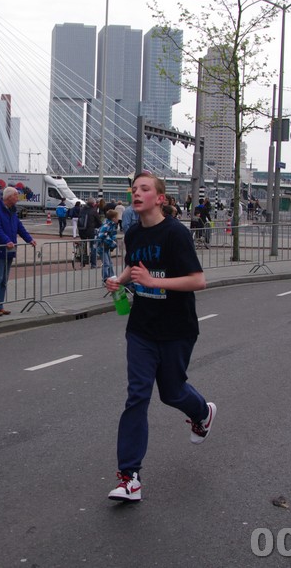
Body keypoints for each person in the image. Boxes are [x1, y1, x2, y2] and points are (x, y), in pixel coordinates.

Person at [104, 171, 215, 503]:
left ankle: (202, 413)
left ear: (160, 199)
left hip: (177, 329)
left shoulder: (176, 233)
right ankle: (130, 478)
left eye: (144, 189)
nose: (136, 193)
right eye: (134, 189)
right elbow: (134, 266)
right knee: (137, 396)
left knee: (172, 392)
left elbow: (198, 280)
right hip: (141, 328)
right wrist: (120, 280)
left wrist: (154, 283)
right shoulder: (134, 233)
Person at [0, 186, 36, 316]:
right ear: (8, 197)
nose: (17, 197)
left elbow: (20, 227)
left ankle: (0, 305)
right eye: (16, 195)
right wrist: (6, 241)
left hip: (10, 250)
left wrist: (29, 239)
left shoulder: (12, 211)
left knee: (4, 280)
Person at [94, 209, 119, 281]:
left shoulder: (112, 225)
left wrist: (113, 241)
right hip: (101, 247)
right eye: (117, 217)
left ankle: (112, 277)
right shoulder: (107, 225)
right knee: (106, 263)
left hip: (105, 247)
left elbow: (112, 235)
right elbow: (102, 236)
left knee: (109, 263)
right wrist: (112, 243)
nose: (118, 219)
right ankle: (105, 278)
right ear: (113, 218)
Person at [77, 198, 102, 268]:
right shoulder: (93, 211)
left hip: (81, 230)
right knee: (93, 247)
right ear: (93, 204)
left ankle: (83, 261)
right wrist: (96, 226)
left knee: (83, 246)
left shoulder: (82, 210)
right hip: (90, 231)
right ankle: (93, 264)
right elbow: (99, 222)